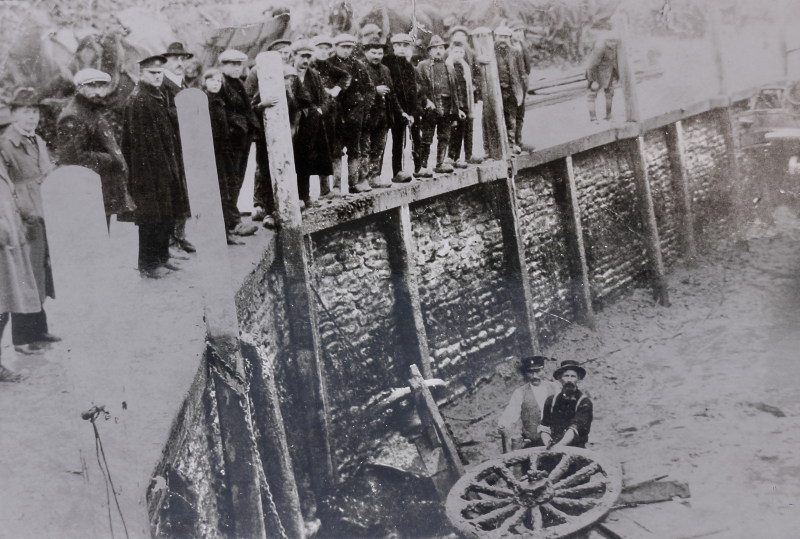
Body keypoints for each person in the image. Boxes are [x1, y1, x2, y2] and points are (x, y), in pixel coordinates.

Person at [0, 88, 60, 351]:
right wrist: (22, 214)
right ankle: (23, 338)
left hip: (42, 213)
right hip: (24, 219)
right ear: (13, 114)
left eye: (35, 112)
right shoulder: (6, 144)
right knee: (25, 278)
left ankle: (38, 330)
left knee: (40, 274)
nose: (32, 117)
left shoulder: (37, 139)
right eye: (26, 112)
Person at [121, 55, 184, 279]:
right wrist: (147, 175)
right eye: (152, 73)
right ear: (142, 74)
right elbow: (138, 145)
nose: (157, 77)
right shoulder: (139, 99)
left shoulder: (155, 95)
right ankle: (148, 264)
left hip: (162, 167)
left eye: (159, 73)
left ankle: (162, 257)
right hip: (147, 172)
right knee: (150, 217)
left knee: (164, 213)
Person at [56, 68, 134, 228]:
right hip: (88, 191)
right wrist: (112, 158)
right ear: (79, 88)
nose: (98, 91)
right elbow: (76, 160)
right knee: (92, 235)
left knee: (102, 235)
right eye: (92, 86)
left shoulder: (91, 111)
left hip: (101, 189)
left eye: (101, 86)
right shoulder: (73, 116)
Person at [328, 33, 376, 194]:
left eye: (349, 47)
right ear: (336, 47)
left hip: (355, 115)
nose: (346, 51)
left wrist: (364, 108)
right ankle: (336, 186)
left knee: (354, 150)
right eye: (343, 47)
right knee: (336, 151)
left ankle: (353, 184)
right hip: (335, 115)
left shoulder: (358, 66)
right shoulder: (328, 65)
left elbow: (370, 89)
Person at [160, 42, 195, 254]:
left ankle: (180, 236)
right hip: (171, 144)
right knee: (174, 190)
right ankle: (171, 241)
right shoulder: (163, 86)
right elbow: (166, 114)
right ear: (166, 62)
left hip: (184, 143)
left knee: (184, 189)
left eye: (182, 59)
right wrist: (186, 112)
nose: (180, 63)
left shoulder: (183, 84)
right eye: (174, 59)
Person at [202, 68, 243, 245]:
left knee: (225, 192)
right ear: (205, 82)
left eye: (219, 81)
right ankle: (218, 234)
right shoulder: (205, 102)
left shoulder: (220, 101)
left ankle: (226, 233)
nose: (216, 84)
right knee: (217, 193)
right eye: (212, 80)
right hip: (213, 154)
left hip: (223, 153)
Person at [361, 41, 409, 189]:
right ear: (366, 53)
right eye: (373, 53)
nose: (376, 56)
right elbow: (355, 91)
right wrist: (375, 90)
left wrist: (401, 112)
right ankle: (362, 179)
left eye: (380, 53)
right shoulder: (360, 68)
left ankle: (375, 177)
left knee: (378, 148)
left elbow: (392, 94)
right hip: (366, 116)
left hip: (383, 116)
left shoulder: (385, 70)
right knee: (364, 149)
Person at [292, 40, 333, 207]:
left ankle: (305, 197)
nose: (305, 60)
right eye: (302, 56)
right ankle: (290, 199)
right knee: (290, 161)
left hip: (311, 125)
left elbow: (325, 98)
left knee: (306, 160)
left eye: (308, 57)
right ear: (293, 56)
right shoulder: (288, 74)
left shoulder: (314, 75)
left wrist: (320, 111)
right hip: (292, 124)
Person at [416, 35, 464, 175]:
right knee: (427, 137)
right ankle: (422, 166)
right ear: (429, 51)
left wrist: (459, 108)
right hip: (431, 106)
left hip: (447, 105)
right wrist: (426, 100)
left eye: (441, 48)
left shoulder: (449, 67)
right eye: (435, 48)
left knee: (444, 136)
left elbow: (456, 89)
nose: (438, 51)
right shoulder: (423, 66)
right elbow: (418, 87)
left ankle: (440, 163)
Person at [311, 35, 351, 198]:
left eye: (326, 49)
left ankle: (336, 187)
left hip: (332, 115)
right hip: (315, 114)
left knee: (335, 149)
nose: (323, 52)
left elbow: (345, 76)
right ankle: (324, 189)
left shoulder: (327, 65)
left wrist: (336, 89)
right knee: (319, 151)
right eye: (320, 48)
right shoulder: (308, 66)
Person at [497, 356, 561, 451]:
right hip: (534, 444)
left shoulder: (555, 388)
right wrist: (503, 425)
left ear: (543, 370)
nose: (534, 376)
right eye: (530, 372)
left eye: (538, 371)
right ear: (525, 373)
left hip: (555, 441)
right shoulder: (520, 392)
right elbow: (511, 414)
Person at [382, 33, 418, 183]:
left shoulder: (409, 67)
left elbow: (412, 91)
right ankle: (375, 176)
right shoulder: (386, 62)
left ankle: (397, 171)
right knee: (380, 143)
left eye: (405, 46)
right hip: (387, 108)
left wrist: (411, 113)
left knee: (399, 142)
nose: (402, 49)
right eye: (398, 46)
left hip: (403, 111)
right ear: (393, 46)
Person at [539, 359, 594, 449]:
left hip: (575, 449)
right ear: (560, 378)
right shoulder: (551, 400)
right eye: (566, 376)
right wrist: (548, 445)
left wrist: (559, 447)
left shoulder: (584, 402)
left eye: (573, 376)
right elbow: (544, 427)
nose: (569, 380)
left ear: (578, 379)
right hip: (553, 448)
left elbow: (574, 428)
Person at [494, 26, 524, 155]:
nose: (503, 40)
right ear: (495, 37)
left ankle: (511, 146)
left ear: (509, 38)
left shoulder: (515, 52)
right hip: (497, 90)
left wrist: (522, 91)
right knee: (496, 118)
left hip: (511, 89)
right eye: (500, 37)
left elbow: (522, 72)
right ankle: (498, 147)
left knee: (511, 119)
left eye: (505, 37)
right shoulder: (490, 52)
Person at [445, 42, 475, 169]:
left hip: (464, 102)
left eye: (461, 52)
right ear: (451, 52)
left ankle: (459, 156)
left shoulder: (465, 66)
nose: (458, 54)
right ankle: (450, 156)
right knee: (453, 129)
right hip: (454, 103)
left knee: (462, 129)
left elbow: (467, 86)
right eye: (456, 52)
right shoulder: (447, 65)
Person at [585, 33, 619, 123]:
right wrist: (593, 80)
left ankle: (609, 115)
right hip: (596, 74)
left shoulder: (615, 47)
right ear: (606, 40)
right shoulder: (600, 47)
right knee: (592, 95)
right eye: (611, 41)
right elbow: (590, 65)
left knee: (610, 94)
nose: (613, 43)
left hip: (608, 74)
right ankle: (593, 118)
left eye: (615, 41)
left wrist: (616, 75)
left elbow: (614, 62)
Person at [510, 22, 531, 149]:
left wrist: (526, 86)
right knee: (511, 115)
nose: (519, 34)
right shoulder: (509, 47)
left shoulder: (522, 46)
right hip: (512, 85)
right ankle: (511, 144)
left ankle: (518, 141)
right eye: (516, 31)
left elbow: (526, 68)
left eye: (521, 31)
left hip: (522, 84)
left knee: (520, 114)